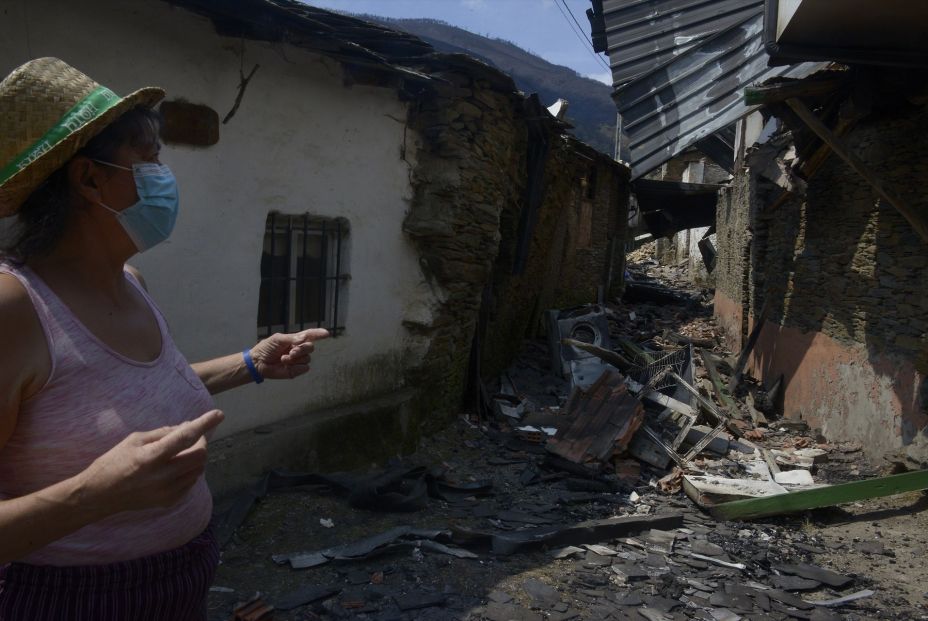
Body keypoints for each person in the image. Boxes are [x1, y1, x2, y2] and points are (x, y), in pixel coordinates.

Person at [0, 57, 329, 620]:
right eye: (148, 159)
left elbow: (125, 396)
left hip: (178, 583)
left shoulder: (132, 282)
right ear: (88, 178)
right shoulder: (14, 307)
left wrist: (251, 363)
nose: (164, 177)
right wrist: (93, 495)